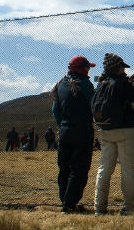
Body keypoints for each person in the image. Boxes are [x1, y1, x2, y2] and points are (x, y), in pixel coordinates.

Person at [93, 53, 134, 216]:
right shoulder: (122, 84)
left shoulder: (101, 84)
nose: (124, 69)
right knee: (127, 169)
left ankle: (99, 207)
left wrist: (128, 82)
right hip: (124, 129)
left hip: (105, 130)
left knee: (104, 169)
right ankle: (130, 207)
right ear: (118, 68)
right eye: (123, 67)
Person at [51, 55, 96, 213]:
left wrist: (62, 124)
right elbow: (94, 105)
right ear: (83, 68)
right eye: (88, 67)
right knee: (79, 168)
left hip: (64, 130)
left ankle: (65, 201)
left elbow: (55, 109)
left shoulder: (59, 84)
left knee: (64, 167)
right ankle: (69, 205)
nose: (89, 69)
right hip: (82, 129)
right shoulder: (85, 84)